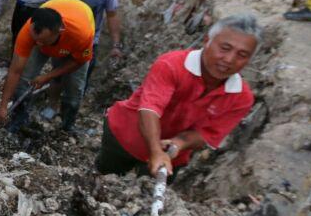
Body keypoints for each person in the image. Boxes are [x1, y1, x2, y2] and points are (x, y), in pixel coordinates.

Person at [97, 15, 259, 176]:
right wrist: (155, 150)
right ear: (206, 41)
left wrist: (179, 143)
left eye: (242, 55)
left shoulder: (242, 99)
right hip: (124, 136)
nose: (230, 59)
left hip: (172, 157)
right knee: (103, 178)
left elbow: (209, 134)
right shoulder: (171, 65)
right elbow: (150, 108)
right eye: (224, 48)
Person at [0, 0, 96, 133]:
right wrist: (3, 106)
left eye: (42, 41)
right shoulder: (28, 33)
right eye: (35, 40)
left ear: (59, 31)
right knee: (24, 78)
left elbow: (78, 62)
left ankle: (67, 125)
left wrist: (49, 76)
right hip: (53, 27)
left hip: (76, 33)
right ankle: (19, 117)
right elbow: (15, 71)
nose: (38, 44)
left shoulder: (82, 34)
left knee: (74, 89)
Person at [52, 0, 124, 67]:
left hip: (89, 42)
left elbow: (112, 15)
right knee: (57, 75)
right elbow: (52, 13)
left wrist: (116, 45)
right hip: (62, 40)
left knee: (81, 77)